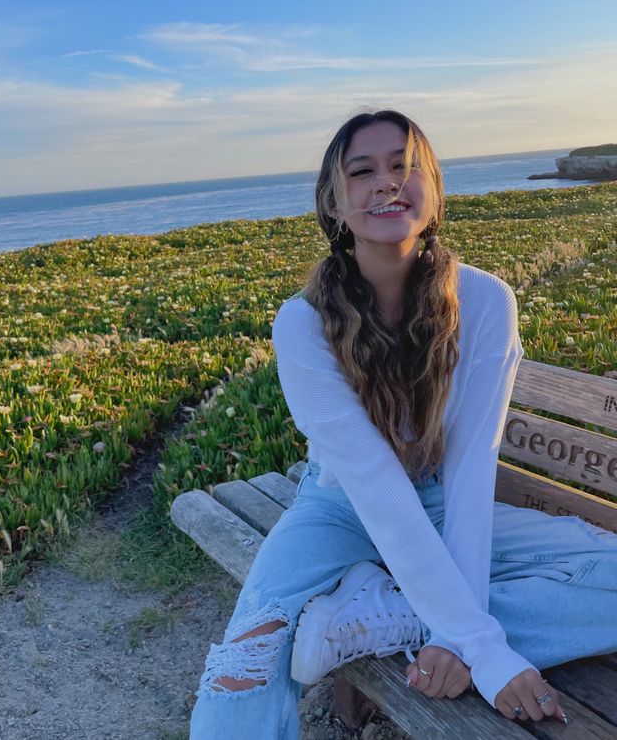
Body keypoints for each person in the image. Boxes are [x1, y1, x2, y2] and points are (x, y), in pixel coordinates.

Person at [189, 108, 617, 739]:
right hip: (340, 507)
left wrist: (456, 635)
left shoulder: (485, 301)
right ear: (334, 206)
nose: (387, 182)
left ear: (435, 190)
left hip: (447, 505)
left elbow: (472, 471)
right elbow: (374, 486)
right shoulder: (302, 323)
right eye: (362, 171)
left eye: (405, 166)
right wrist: (486, 650)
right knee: (243, 666)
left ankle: (395, 618)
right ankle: (417, 613)